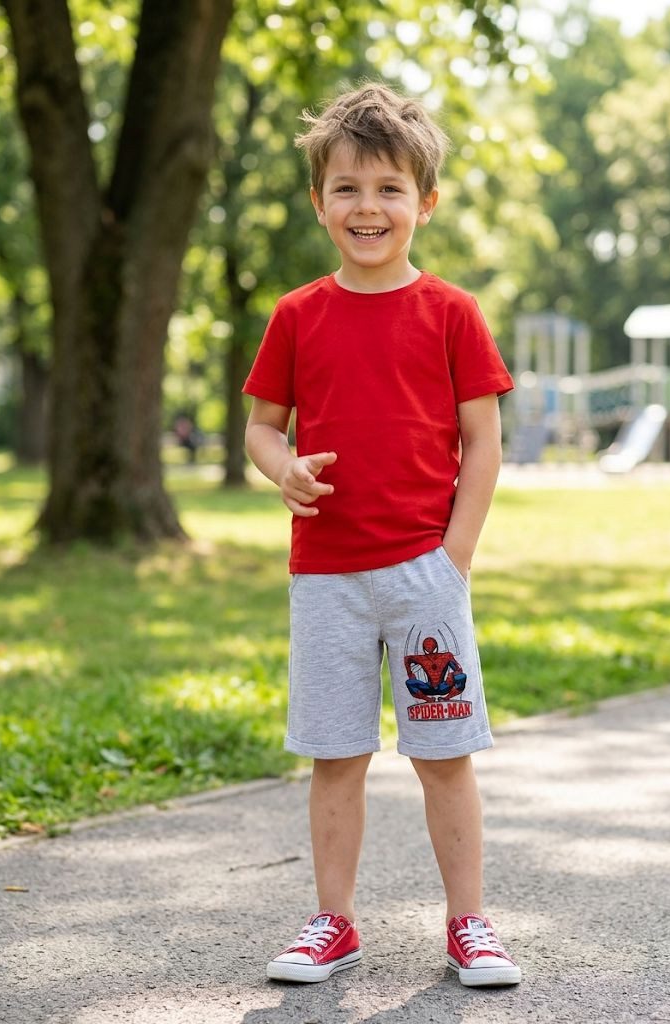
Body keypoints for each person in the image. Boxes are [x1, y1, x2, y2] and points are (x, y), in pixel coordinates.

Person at [243, 83, 520, 988]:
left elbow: (483, 441)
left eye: (389, 189)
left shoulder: (451, 313)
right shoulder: (296, 315)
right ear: (319, 200)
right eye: (348, 189)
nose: (369, 208)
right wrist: (279, 468)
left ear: (425, 202)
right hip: (326, 577)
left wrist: (455, 558)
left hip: (423, 576)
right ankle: (334, 922)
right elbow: (260, 426)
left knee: (444, 756)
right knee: (338, 756)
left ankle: (469, 923)